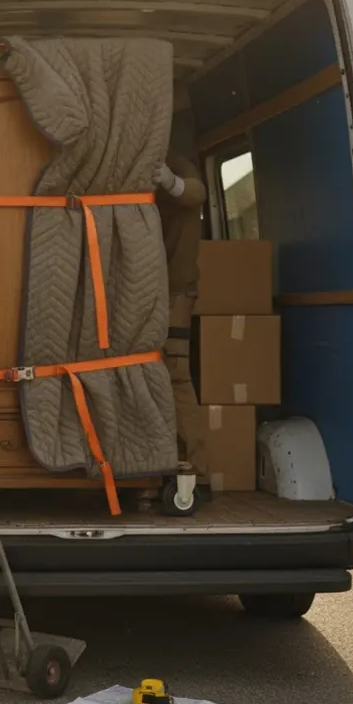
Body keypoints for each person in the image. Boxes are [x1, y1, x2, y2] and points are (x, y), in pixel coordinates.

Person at [153, 148, 209, 468]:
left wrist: (170, 181)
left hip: (175, 293)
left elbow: (195, 193)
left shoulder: (176, 163)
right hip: (155, 291)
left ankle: (195, 471)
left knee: (175, 375)